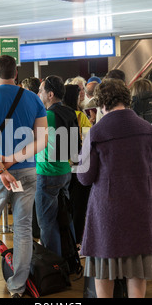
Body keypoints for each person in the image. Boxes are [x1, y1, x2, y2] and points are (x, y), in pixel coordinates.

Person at [0, 55, 47, 298]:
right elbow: (42, 140)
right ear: (16, 73)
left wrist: (1, 168)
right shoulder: (33, 98)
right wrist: (13, 160)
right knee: (23, 228)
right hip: (27, 169)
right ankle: (18, 286)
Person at [77, 78, 152, 298]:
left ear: (101, 103)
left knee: (104, 272)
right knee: (137, 272)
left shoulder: (96, 133)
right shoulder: (148, 130)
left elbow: (85, 177)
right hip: (140, 210)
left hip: (108, 213)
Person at [35, 75, 80, 257]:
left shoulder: (48, 116)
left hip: (47, 172)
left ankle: (53, 265)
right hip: (65, 171)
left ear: (50, 94)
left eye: (41, 91)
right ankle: (69, 258)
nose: (39, 94)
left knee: (47, 223)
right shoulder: (70, 112)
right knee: (65, 218)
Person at [63, 84, 91, 247]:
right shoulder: (81, 116)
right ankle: (78, 242)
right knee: (79, 207)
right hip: (79, 167)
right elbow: (88, 141)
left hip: (61, 166)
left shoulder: (54, 115)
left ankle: (65, 240)